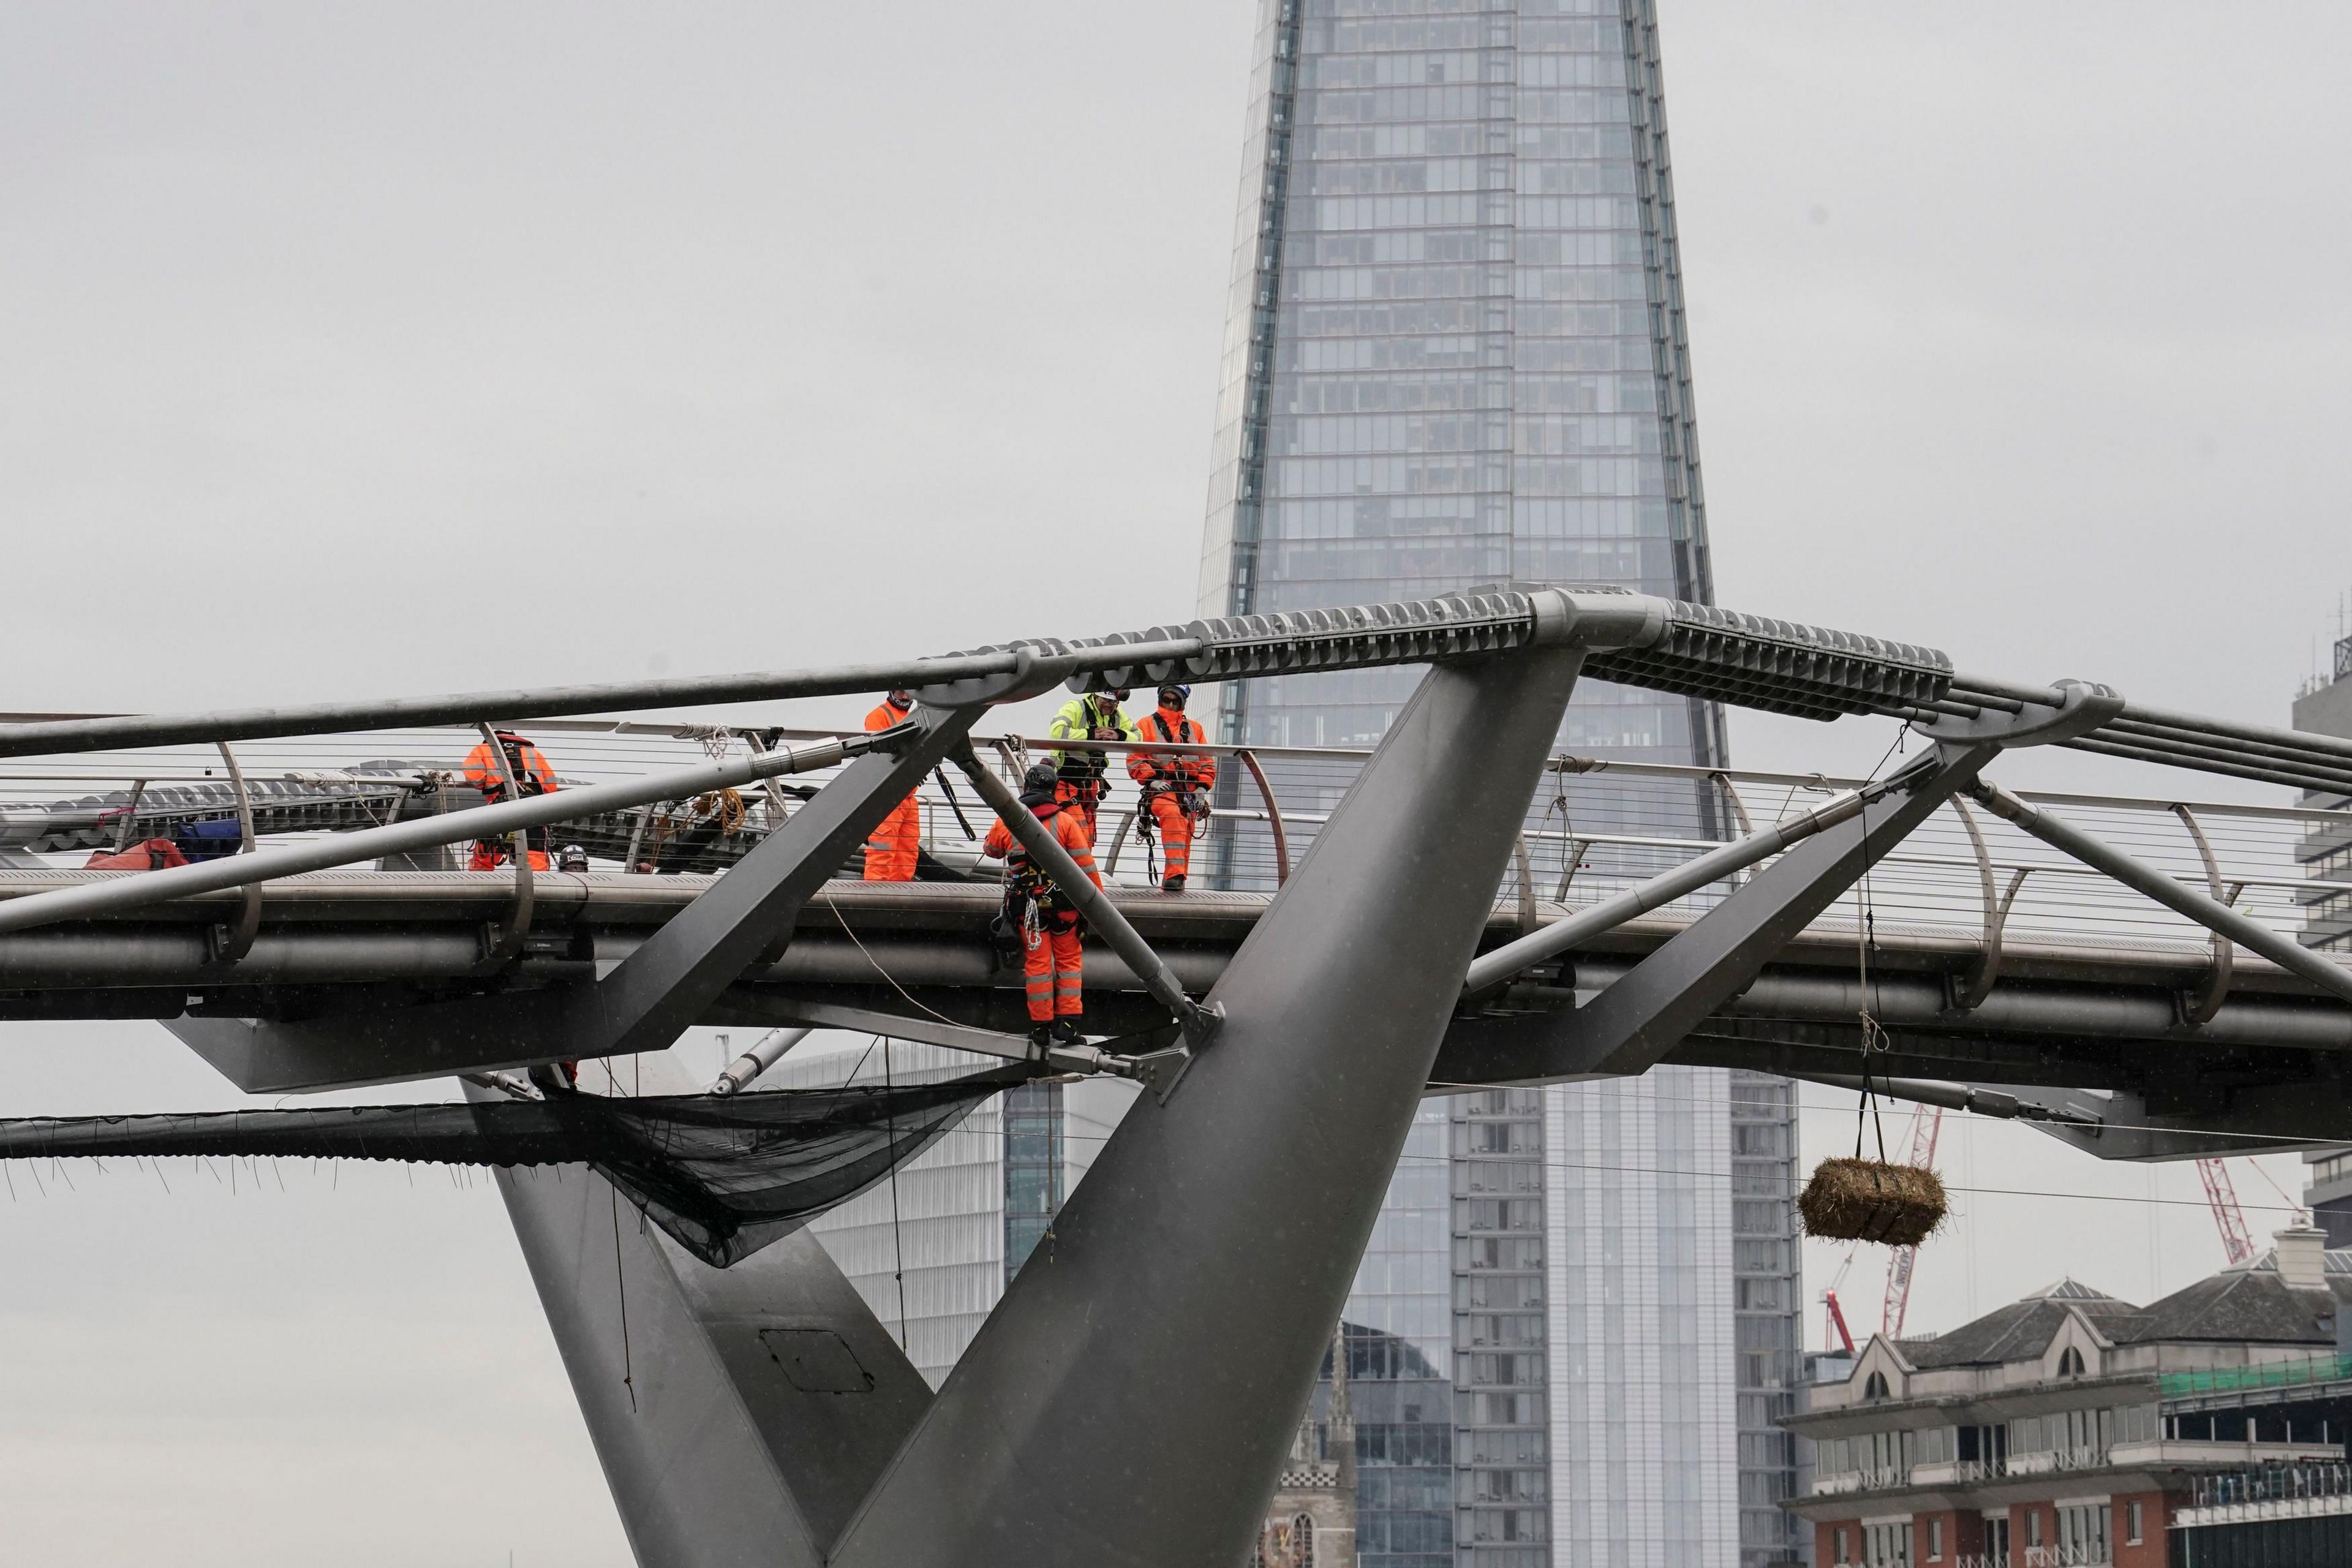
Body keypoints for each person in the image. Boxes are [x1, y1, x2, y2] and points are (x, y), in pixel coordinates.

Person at [981, 762, 1101, 1048]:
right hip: (1064, 906)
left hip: (1027, 907)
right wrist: (1097, 908)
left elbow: (991, 850)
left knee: (1037, 966)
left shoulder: (1007, 820)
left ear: (1027, 788)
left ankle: (1041, 1027)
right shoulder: (1067, 822)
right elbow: (1086, 868)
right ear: (1054, 789)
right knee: (1069, 964)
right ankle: (1069, 1024)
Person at [1127, 684, 1215, 892]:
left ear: (1182, 703)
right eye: (1166, 700)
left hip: (1189, 791)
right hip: (1161, 789)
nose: (1170, 704)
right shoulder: (1145, 725)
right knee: (1171, 815)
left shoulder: (1195, 729)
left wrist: (1201, 789)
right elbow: (1134, 759)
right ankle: (1175, 875)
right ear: (1160, 700)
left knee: (1186, 830)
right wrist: (1151, 781)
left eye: (1175, 701)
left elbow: (1207, 763)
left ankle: (1176, 881)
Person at [461, 729, 559, 871]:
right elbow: (551, 787)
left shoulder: (483, 750)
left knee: (484, 857)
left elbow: (474, 778)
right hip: (533, 810)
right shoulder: (534, 754)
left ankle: (481, 888)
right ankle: (538, 888)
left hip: (499, 810)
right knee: (535, 857)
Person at [1046, 687, 1133, 845]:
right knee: (1077, 835)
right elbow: (1056, 731)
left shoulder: (1117, 716)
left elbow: (1139, 736)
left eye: (1113, 702)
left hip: (1089, 786)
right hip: (1066, 784)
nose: (1109, 705)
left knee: (1089, 838)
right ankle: (1071, 868)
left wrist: (1119, 735)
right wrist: (1092, 735)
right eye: (1105, 700)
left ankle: (1083, 869)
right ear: (1095, 697)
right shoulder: (1076, 708)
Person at [862, 689, 921, 880]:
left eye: (908, 693)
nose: (904, 697)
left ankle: (899, 902)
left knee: (907, 856)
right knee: (881, 853)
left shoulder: (915, 717)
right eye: (900, 692)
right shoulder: (879, 716)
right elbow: (877, 756)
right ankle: (876, 902)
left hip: (909, 797)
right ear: (891, 691)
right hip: (887, 797)